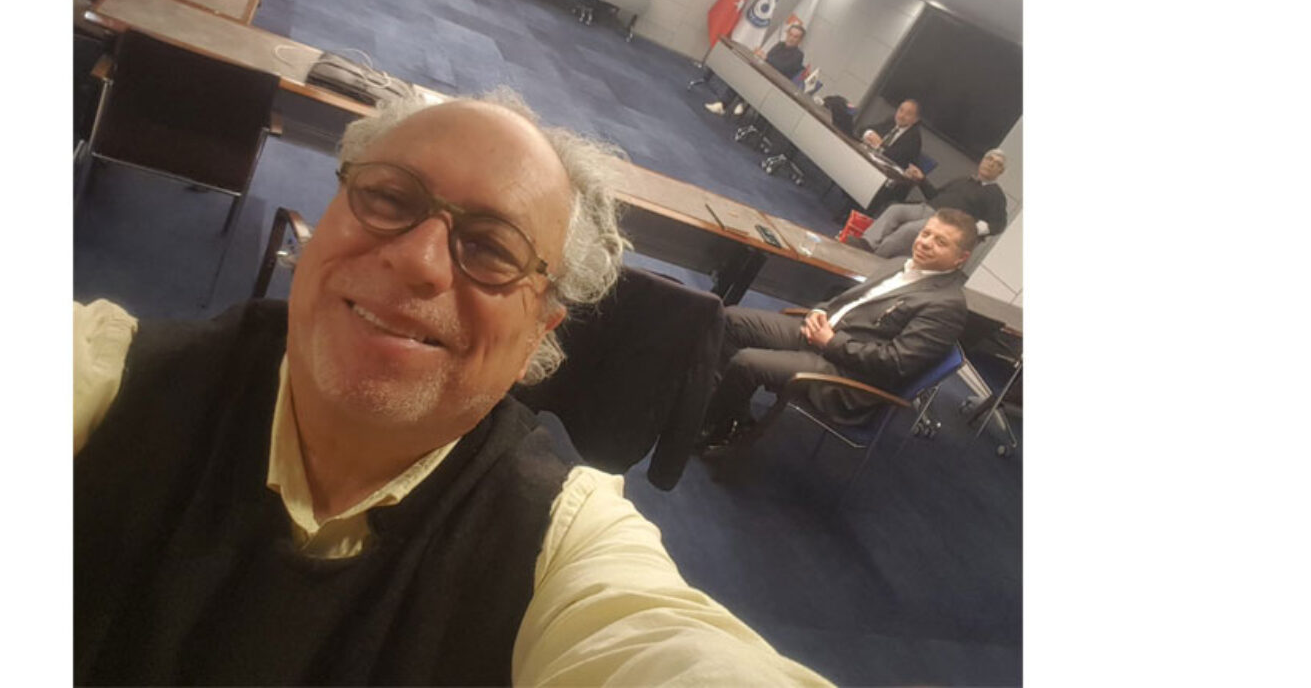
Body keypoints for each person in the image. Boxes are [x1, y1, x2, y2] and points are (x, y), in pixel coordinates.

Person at [74, 92, 828, 686]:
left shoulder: (563, 540)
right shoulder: (107, 370)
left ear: (538, 335)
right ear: (330, 215)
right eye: (389, 198)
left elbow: (671, 653)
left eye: (492, 248)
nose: (420, 261)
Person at [698, 209, 977, 449]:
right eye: (926, 233)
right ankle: (726, 416)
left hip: (847, 374)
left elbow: (895, 363)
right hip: (822, 337)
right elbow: (849, 301)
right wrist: (820, 311)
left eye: (940, 242)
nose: (926, 243)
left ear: (960, 258)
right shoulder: (899, 265)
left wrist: (830, 342)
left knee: (747, 362)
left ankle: (709, 430)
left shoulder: (946, 305)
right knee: (730, 320)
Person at [856, 149, 1009, 259]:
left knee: (909, 229)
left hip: (942, 222)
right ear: (982, 161)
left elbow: (999, 224)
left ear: (1000, 172)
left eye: (997, 164)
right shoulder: (963, 180)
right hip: (926, 208)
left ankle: (873, 257)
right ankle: (867, 243)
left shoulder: (995, 195)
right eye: (989, 159)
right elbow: (934, 195)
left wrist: (972, 229)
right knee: (895, 210)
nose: (991, 164)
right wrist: (921, 179)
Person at [705, 23, 807, 116]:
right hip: (762, 75)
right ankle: (724, 104)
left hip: (774, 85)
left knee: (750, 80)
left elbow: (782, 68)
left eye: (795, 37)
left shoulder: (798, 55)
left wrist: (765, 58)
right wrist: (759, 56)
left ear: (800, 40)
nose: (791, 38)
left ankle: (740, 101)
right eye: (790, 34)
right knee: (744, 75)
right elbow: (768, 61)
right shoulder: (779, 45)